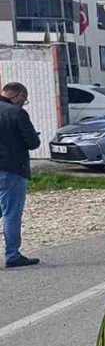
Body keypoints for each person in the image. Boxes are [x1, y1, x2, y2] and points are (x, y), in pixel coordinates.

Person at [0, 82, 40, 268]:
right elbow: (32, 142)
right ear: (17, 95)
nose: (24, 103)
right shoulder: (16, 113)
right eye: (24, 99)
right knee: (11, 214)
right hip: (12, 168)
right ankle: (13, 255)